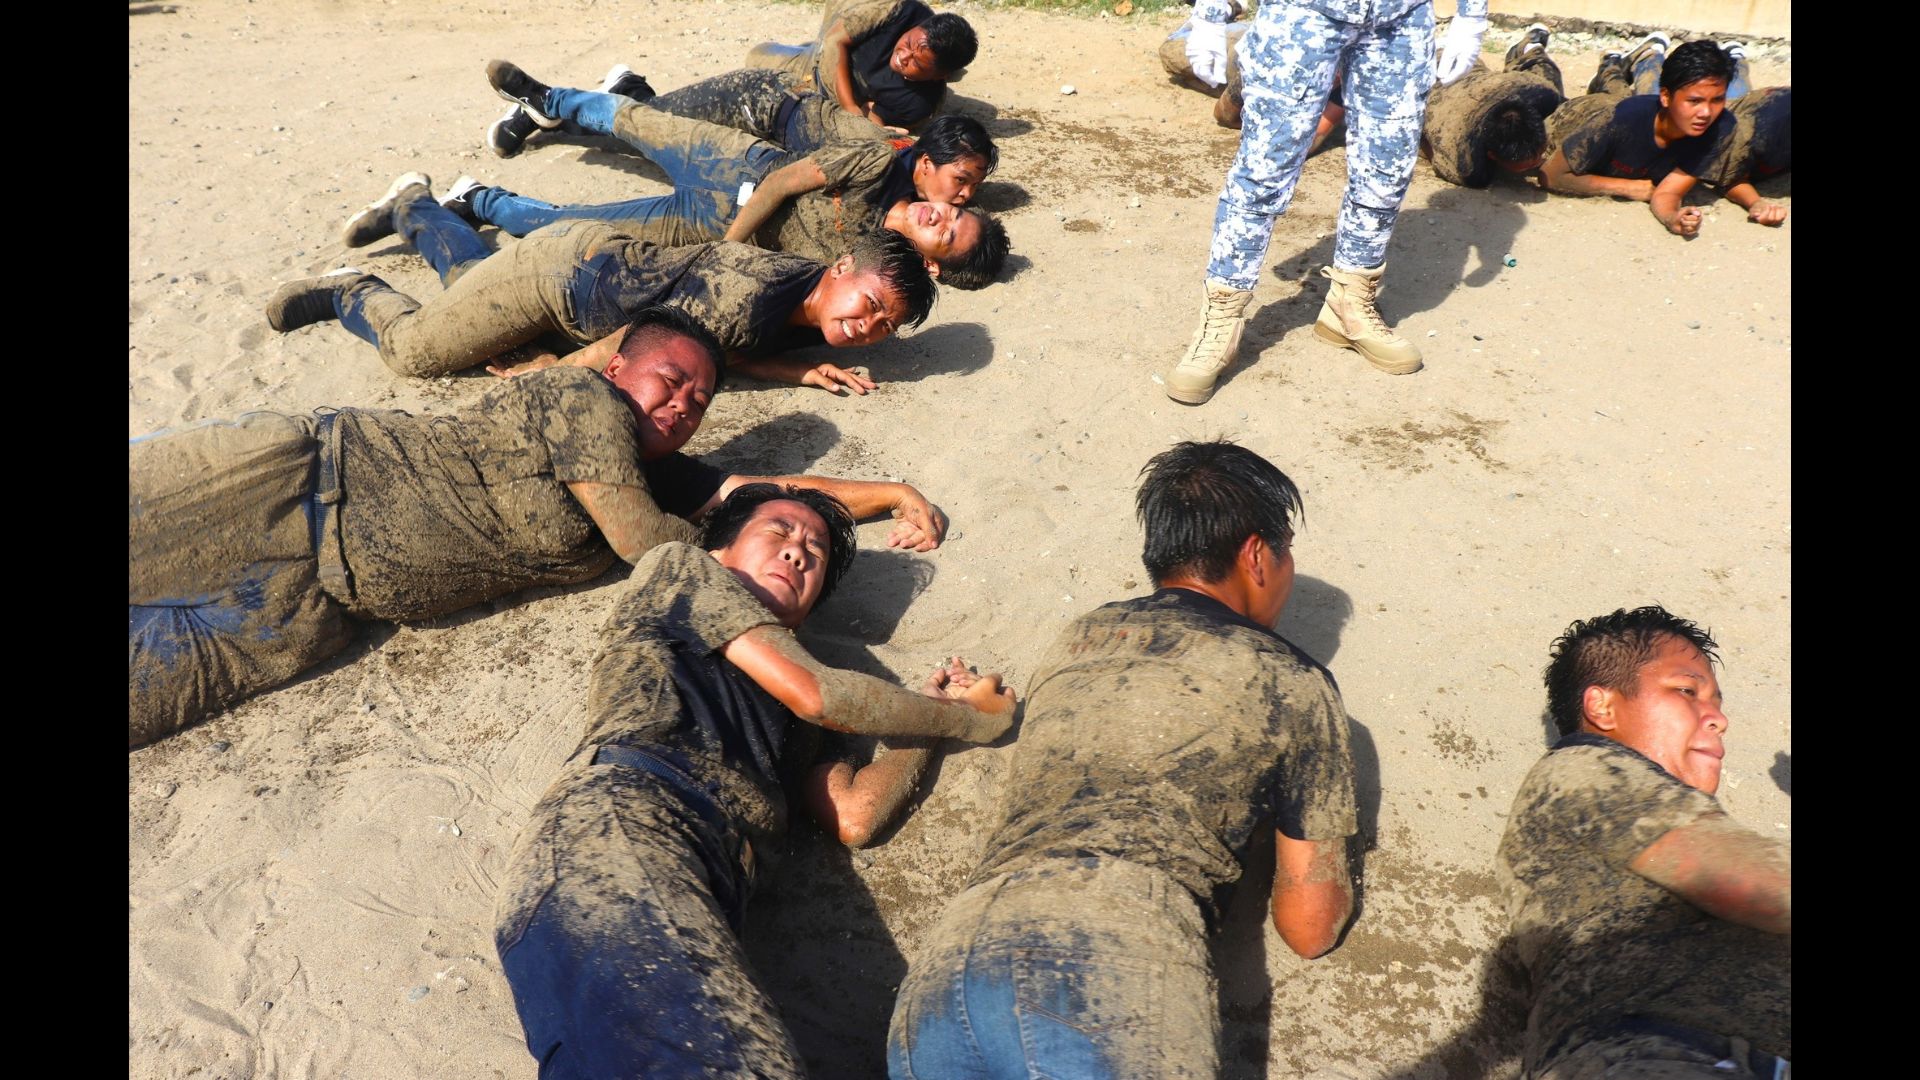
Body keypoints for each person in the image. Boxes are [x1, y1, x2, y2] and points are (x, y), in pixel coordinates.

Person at [129, 308, 950, 748]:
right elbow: (645, 544)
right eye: (671, 380)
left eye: (701, 402)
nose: (684, 405)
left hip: (311, 604)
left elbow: (760, 493)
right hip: (289, 477)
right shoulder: (579, 400)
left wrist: (888, 493)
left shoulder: (656, 477)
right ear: (618, 366)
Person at [495, 485, 1016, 1078]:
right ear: (719, 552)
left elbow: (854, 814)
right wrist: (973, 719)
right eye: (779, 533)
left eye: (815, 551)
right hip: (619, 829)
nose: (799, 552)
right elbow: (821, 695)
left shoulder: (800, 713)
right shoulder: (680, 569)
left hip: (665, 875)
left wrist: (924, 719)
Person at [887, 440, 1359, 1078]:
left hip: (953, 959)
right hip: (1109, 956)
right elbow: (1309, 929)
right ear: (1256, 555)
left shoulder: (1080, 634)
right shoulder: (1292, 680)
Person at [264, 172, 935, 394]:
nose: (869, 328)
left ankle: (413, 202)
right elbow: (649, 337)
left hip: (596, 273)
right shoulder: (753, 293)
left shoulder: (802, 294)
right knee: (415, 352)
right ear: (843, 267)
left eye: (885, 326)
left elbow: (723, 346)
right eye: (871, 304)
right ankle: (352, 289)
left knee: (470, 281)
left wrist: (800, 373)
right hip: (561, 279)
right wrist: (559, 369)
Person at [1498, 606, 1790, 1079]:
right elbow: (1767, 888)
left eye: (1717, 700)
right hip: (1657, 1058)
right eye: (1686, 691)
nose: (1718, 718)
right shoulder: (1580, 771)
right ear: (1602, 707)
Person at [1165, 0, 1491, 400]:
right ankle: (1219, 321)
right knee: (1265, 166)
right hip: (1304, 13)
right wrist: (1211, 14)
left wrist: (1472, 14)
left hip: (1400, 18)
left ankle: (1349, 306)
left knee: (1387, 168)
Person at [460, 62, 1009, 289]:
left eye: (946, 229)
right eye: (958, 205)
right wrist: (732, 249)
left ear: (933, 266)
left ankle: (479, 201)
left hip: (704, 221)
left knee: (574, 224)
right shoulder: (879, 159)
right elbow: (782, 184)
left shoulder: (874, 266)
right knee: (638, 120)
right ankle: (547, 98)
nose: (947, 208)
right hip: (736, 162)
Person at [1540, 38, 1736, 238]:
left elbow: (1668, 192)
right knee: (1547, 85)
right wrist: (1627, 187)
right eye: (1694, 101)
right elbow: (1552, 175)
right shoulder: (1618, 120)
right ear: (1666, 97)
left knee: (1621, 94)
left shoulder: (1720, 128)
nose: (1706, 112)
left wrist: (1673, 218)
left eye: (1718, 100)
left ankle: (1619, 64)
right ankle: (1606, 64)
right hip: (1584, 111)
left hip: (1632, 106)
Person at [490, 65, 893, 161]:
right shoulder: (896, 150)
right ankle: (548, 100)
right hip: (760, 103)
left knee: (644, 133)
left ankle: (626, 88)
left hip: (757, 142)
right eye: (959, 180)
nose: (959, 197)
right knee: (643, 128)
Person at [744, 0, 978, 129]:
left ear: (939, 76)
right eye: (907, 42)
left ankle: (813, 49)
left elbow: (873, 115)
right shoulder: (898, 9)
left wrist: (873, 128)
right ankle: (813, 49)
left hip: (829, 78)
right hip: (842, 24)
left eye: (916, 62)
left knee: (762, 61)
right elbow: (836, 41)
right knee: (758, 55)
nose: (903, 56)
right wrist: (849, 106)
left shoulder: (920, 105)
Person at [1158, 0, 1348, 140]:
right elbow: (1224, 115)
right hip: (1243, 45)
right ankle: (1230, 8)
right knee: (1171, 50)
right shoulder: (1271, 59)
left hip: (1287, 41)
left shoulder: (1345, 74)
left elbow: (1313, 138)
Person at [1421, 23, 1565, 187]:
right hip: (1426, 63)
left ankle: (1530, 48)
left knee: (1552, 88)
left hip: (1462, 59)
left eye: (1539, 153)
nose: (1540, 161)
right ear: (1493, 156)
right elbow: (1429, 147)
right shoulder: (1466, 166)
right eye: (1529, 163)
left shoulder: (1538, 90)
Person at [1688, 44, 1789, 227]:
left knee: (1735, 88)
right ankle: (1646, 56)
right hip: (1741, 121)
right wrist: (1756, 203)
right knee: (1657, 95)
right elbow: (1730, 180)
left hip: (1752, 104)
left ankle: (1736, 58)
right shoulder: (1755, 134)